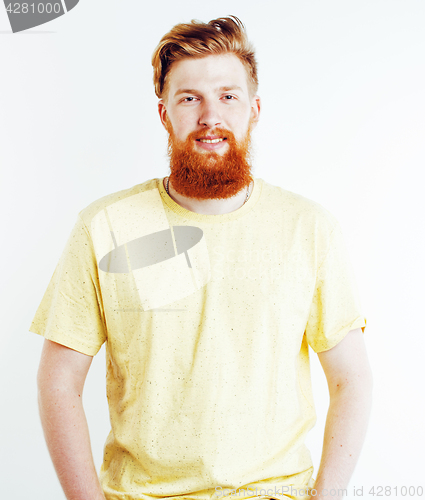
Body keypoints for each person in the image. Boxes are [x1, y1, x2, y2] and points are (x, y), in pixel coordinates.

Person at [31, 16, 372, 500]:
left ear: (254, 109)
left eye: (228, 96)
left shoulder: (309, 228)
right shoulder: (104, 226)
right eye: (189, 98)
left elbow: (352, 379)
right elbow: (59, 382)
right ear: (164, 114)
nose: (210, 116)